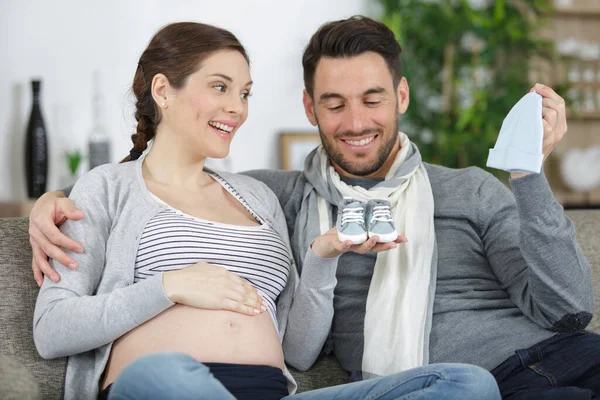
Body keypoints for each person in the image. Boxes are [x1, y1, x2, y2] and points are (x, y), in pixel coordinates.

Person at [33, 14, 598, 400]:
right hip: (168, 380)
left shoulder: (260, 197)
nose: (355, 122)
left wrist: (526, 176)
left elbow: (569, 310)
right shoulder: (267, 194)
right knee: (160, 373)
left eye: (245, 92)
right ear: (310, 107)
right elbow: (56, 324)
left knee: (469, 385)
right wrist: (51, 202)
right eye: (335, 103)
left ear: (400, 98)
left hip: (541, 361)